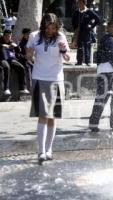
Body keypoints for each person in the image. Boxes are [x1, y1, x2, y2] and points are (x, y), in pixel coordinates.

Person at [26, 13, 70, 165]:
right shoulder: (34, 36)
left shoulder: (60, 37)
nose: (50, 30)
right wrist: (29, 54)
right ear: (43, 26)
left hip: (56, 79)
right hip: (40, 78)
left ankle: (49, 149)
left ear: (57, 27)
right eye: (47, 27)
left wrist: (63, 50)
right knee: (43, 115)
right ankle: (41, 151)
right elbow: (29, 56)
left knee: (52, 117)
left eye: (53, 28)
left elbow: (67, 58)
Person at [89, 21, 113, 132]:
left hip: (103, 72)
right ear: (108, 28)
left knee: (102, 98)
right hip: (110, 73)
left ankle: (93, 123)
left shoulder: (104, 39)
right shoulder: (111, 40)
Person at [0, 29, 29, 96]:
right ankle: (6, 89)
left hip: (10, 59)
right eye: (6, 36)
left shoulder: (11, 41)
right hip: (2, 59)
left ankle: (22, 88)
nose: (8, 37)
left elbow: (18, 51)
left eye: (9, 36)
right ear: (3, 36)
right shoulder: (0, 40)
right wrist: (2, 45)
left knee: (21, 68)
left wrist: (16, 46)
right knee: (6, 67)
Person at [71, 0, 100, 66]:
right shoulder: (76, 12)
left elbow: (97, 19)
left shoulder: (89, 12)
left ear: (84, 3)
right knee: (79, 47)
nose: (79, 4)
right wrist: (75, 29)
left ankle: (87, 61)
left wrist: (91, 26)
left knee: (87, 46)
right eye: (78, 3)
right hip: (79, 32)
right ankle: (79, 61)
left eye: (80, 3)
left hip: (87, 32)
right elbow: (73, 22)